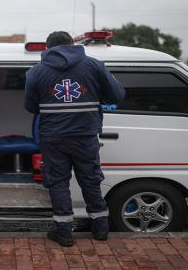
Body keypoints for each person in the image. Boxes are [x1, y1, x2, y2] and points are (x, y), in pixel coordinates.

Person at [23, 31, 125, 246]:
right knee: (90, 180)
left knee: (58, 183)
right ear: (72, 43)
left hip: (53, 138)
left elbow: (31, 106)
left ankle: (64, 234)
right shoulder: (95, 65)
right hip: (85, 135)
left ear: (47, 48)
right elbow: (116, 96)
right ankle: (100, 230)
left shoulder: (35, 72)